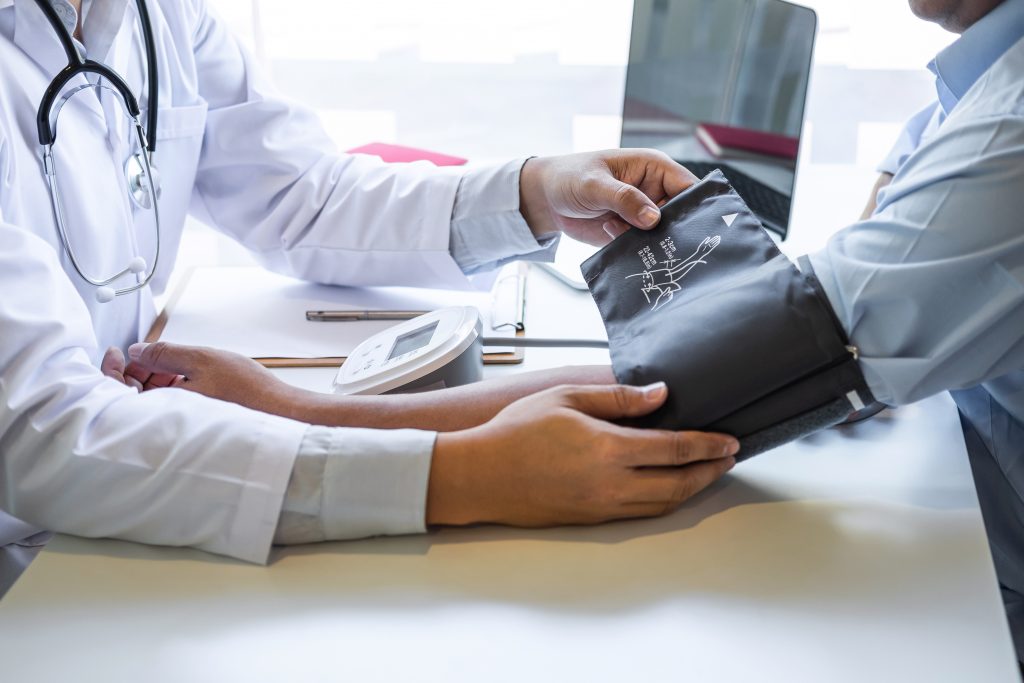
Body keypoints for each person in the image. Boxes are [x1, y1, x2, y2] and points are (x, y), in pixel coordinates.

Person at [108, 0, 1024, 659]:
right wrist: (538, 188)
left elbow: (721, 378)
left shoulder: (1006, 125)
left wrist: (290, 410)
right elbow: (300, 194)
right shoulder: (971, 79)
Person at [0, 0, 742, 594]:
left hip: (130, 467)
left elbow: (297, 193)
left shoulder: (153, 15)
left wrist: (536, 192)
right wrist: (458, 476)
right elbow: (40, 429)